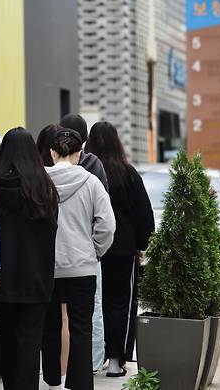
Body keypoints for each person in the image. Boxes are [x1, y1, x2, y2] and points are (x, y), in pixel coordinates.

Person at [41, 128, 115, 390]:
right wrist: (94, 250)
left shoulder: (40, 181)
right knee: (81, 326)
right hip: (82, 266)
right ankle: (80, 383)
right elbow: (107, 225)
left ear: (51, 152)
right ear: (79, 154)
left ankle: (51, 379)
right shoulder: (92, 182)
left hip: (48, 267)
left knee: (49, 325)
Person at [0, 127, 59, 390]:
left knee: (7, 342)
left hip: (2, 278)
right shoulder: (44, 187)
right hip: (37, 277)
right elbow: (53, 229)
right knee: (31, 343)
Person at [85, 121, 155, 377]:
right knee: (121, 305)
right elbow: (144, 216)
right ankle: (116, 360)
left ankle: (93, 356)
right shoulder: (128, 173)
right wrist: (143, 245)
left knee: (92, 304)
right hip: (123, 251)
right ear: (117, 142)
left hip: (89, 249)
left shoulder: (84, 172)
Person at [59, 114, 109, 372]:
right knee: (89, 315)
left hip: (54, 258)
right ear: (84, 141)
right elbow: (106, 221)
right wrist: (96, 249)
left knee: (59, 317)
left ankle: (58, 373)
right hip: (85, 257)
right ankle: (90, 364)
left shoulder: (46, 170)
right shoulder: (93, 169)